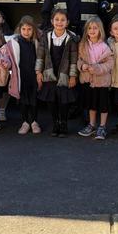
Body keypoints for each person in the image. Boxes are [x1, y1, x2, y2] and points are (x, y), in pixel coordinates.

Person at [36, 8, 79, 138]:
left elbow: (73, 59)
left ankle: (64, 123)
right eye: (57, 19)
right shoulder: (46, 36)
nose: (59, 22)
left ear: (67, 22)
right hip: (49, 74)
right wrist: (38, 71)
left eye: (62, 20)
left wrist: (73, 76)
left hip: (64, 75)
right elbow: (40, 55)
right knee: (51, 101)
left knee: (63, 101)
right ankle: (55, 123)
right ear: (51, 21)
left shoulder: (71, 38)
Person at [0, 15, 41, 135]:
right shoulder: (14, 42)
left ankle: (34, 122)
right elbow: (4, 53)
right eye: (24, 29)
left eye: (29, 29)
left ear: (33, 31)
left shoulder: (36, 43)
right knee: (22, 100)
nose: (26, 32)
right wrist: (6, 62)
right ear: (19, 29)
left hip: (33, 76)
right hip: (20, 76)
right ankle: (26, 122)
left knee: (34, 100)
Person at [77, 17, 114, 140]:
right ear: (86, 30)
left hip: (102, 81)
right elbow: (79, 60)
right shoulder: (83, 45)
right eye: (90, 28)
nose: (92, 30)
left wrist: (97, 68)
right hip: (89, 81)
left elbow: (110, 63)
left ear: (100, 30)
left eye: (95, 28)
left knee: (103, 105)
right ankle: (92, 125)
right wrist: (82, 66)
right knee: (91, 105)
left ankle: (102, 126)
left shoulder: (104, 46)